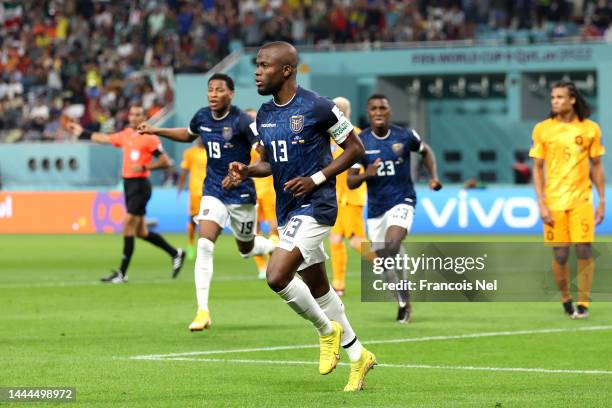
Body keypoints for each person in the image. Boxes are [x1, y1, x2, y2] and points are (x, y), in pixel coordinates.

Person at [227, 41, 375, 392]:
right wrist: (247, 170)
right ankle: (358, 356)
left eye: (264, 65)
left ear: (287, 70)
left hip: (318, 205)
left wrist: (317, 178)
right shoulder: (264, 114)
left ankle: (326, 332)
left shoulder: (318, 107)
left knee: (277, 276)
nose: (257, 72)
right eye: (257, 65)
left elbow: (356, 150)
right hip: (288, 207)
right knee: (320, 288)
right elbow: (269, 162)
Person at [137, 73, 275, 331]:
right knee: (204, 245)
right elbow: (188, 135)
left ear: (230, 94)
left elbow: (264, 153)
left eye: (219, 90)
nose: (213, 94)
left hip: (242, 193)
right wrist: (156, 130)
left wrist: (245, 171)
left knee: (246, 249)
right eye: (210, 89)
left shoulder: (243, 121)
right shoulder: (202, 116)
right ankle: (203, 310)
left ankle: (272, 245)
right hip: (213, 190)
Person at [347, 94, 441, 324]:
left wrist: (433, 177)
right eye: (373, 109)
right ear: (368, 113)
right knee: (385, 264)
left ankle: (403, 293)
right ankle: (403, 301)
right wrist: (365, 175)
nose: (378, 112)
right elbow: (350, 181)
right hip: (376, 209)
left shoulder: (405, 135)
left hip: (402, 199)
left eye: (383, 108)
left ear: (389, 112)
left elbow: (426, 151)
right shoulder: (360, 142)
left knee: (392, 245)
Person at [68, 105, 186, 283]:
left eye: (138, 115)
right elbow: (105, 138)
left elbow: (165, 161)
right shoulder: (125, 135)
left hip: (140, 185)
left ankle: (122, 273)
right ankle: (175, 253)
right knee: (141, 232)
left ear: (144, 117)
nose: (134, 117)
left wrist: (146, 167)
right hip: (129, 185)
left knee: (127, 225)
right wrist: (81, 132)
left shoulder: (150, 138)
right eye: (131, 114)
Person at [529, 80, 605, 320]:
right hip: (554, 201)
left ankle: (583, 303)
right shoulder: (542, 129)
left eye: (560, 97)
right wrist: (541, 202)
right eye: (553, 98)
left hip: (582, 199)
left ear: (572, 100)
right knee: (560, 255)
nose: (555, 102)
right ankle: (566, 299)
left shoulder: (590, 129)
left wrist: (602, 199)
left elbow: (597, 166)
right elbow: (537, 168)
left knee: (584, 249)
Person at [328, 96, 367, 297]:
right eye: (337, 109)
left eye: (342, 109)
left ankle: (388, 265)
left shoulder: (356, 134)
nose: (339, 112)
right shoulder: (328, 136)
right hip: (335, 197)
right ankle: (338, 284)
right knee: (334, 239)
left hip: (351, 197)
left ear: (348, 113)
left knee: (356, 242)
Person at [246, 107, 279, 279]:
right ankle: (262, 267)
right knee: (255, 231)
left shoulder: (266, 137)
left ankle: (274, 264)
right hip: (252, 190)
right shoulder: (245, 141)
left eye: (253, 117)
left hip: (269, 189)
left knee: (275, 229)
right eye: (248, 118)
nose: (251, 121)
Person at [178, 137, 207, 260]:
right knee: (193, 220)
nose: (200, 139)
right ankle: (190, 244)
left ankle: (205, 248)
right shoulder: (190, 153)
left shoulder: (211, 151)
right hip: (195, 191)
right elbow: (184, 171)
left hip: (210, 190)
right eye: (198, 136)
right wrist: (180, 187)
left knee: (207, 221)